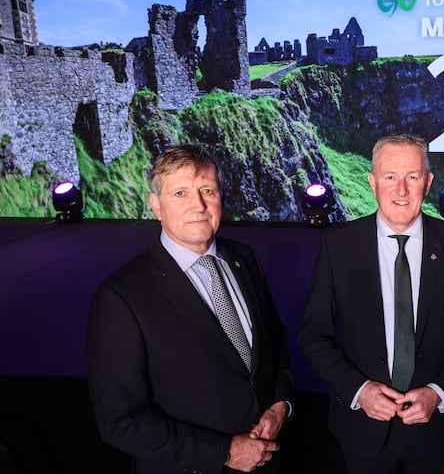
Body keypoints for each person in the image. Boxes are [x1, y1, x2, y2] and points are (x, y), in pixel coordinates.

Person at [86, 144, 294, 473]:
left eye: (207, 190)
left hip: (270, 461)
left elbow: (275, 348)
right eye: (180, 193)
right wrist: (225, 452)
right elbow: (120, 421)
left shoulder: (245, 259)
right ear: (156, 206)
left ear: (220, 197)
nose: (197, 205)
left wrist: (281, 405)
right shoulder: (121, 297)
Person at [298, 133, 444, 474]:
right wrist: (359, 391)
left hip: (435, 430)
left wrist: (438, 392)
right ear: (373, 182)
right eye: (390, 177)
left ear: (428, 182)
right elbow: (314, 335)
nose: (401, 190)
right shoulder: (338, 245)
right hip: (361, 428)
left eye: (412, 177)